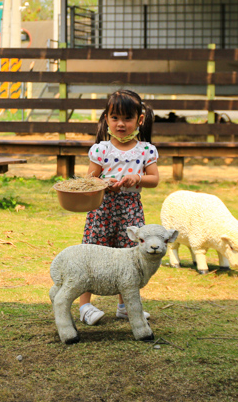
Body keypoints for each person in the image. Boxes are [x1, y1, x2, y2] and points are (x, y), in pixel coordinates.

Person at [78, 89, 160, 326]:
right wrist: (104, 183)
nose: (120, 124)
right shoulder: (101, 149)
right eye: (115, 118)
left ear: (139, 120)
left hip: (130, 210)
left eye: (127, 118)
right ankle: (85, 305)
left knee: (130, 257)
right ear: (106, 119)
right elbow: (88, 181)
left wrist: (138, 178)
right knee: (93, 254)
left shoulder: (146, 150)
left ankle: (126, 307)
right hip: (102, 209)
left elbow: (154, 179)